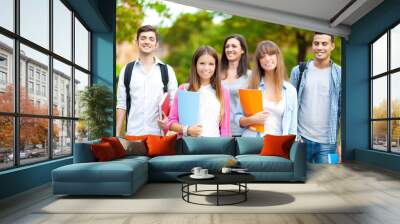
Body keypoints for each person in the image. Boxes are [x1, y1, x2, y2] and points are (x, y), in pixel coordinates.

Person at [116, 25, 178, 136]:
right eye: (143, 38)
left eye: (151, 39)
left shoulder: (168, 71)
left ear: (156, 44)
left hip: (159, 135)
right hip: (133, 134)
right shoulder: (127, 70)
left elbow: (174, 104)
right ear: (137, 42)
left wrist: (168, 123)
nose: (147, 42)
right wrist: (116, 135)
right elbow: (121, 105)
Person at [290, 32, 341, 164]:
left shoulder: (340, 73)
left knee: (327, 182)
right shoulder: (298, 71)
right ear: (312, 46)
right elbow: (291, 105)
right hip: (301, 139)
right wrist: (294, 135)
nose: (320, 47)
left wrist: (340, 143)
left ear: (332, 46)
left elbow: (342, 110)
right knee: (299, 181)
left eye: (324, 44)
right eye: (316, 43)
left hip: (328, 143)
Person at [237, 40, 297, 137]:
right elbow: (237, 117)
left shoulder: (290, 90)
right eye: (262, 56)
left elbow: (293, 127)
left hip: (277, 146)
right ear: (259, 61)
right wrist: (251, 120)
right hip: (253, 143)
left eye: (271, 54)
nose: (267, 59)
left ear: (277, 57)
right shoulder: (251, 87)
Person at [168, 45, 231, 137]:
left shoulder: (223, 91)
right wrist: (187, 130)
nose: (206, 68)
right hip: (190, 146)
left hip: (216, 147)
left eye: (211, 64)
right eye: (202, 63)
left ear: (216, 66)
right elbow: (171, 122)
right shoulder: (184, 90)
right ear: (195, 65)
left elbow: (226, 128)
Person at [220, 34, 251, 136]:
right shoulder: (216, 75)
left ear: (242, 50)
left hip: (241, 131)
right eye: (227, 46)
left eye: (234, 46)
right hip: (219, 130)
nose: (229, 49)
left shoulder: (250, 76)